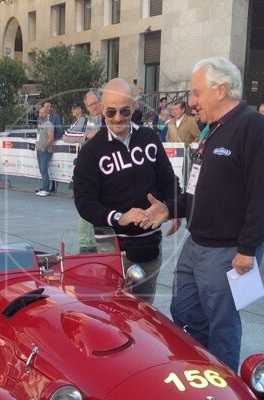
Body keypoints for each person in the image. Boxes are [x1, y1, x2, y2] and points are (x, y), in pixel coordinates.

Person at [169, 56, 264, 371]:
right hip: (196, 245)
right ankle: (202, 372)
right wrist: (169, 208)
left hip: (228, 251)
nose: (192, 102)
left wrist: (247, 248)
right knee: (184, 312)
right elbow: (197, 188)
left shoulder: (252, 126)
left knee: (222, 326)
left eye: (196, 93)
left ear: (220, 90)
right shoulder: (213, 130)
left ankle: (223, 386)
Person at [72, 78, 182, 303]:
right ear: (102, 108)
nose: (117, 118)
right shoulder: (91, 152)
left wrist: (173, 208)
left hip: (150, 245)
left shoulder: (149, 138)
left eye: (124, 111)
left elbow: (168, 181)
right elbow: (84, 202)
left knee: (144, 311)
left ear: (133, 107)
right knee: (115, 313)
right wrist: (119, 217)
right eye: (111, 112)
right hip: (111, 249)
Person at [69, 90, 103, 252]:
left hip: (106, 168)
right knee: (85, 205)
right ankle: (85, 244)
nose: (93, 107)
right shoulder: (84, 120)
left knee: (103, 205)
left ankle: (98, 242)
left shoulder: (110, 117)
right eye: (90, 105)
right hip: (88, 168)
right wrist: (86, 135)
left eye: (95, 103)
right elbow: (67, 135)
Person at [35, 102, 54, 197]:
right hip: (39, 150)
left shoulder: (49, 124)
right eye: (40, 113)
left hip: (45, 151)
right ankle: (43, 188)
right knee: (41, 170)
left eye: (43, 113)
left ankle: (46, 189)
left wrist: (44, 147)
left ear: (47, 114)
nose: (41, 114)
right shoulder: (40, 124)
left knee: (44, 169)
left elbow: (51, 137)